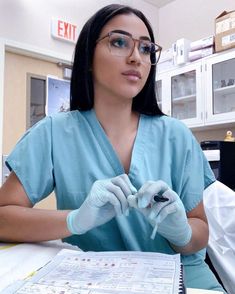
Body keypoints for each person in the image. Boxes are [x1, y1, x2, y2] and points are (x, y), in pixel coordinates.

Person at [0, 4, 226, 293]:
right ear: (89, 57)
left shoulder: (177, 137)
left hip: (181, 277)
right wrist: (74, 220)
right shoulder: (54, 133)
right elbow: (3, 216)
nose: (136, 58)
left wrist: (180, 231)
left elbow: (200, 234)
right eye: (119, 42)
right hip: (95, 279)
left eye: (146, 49)